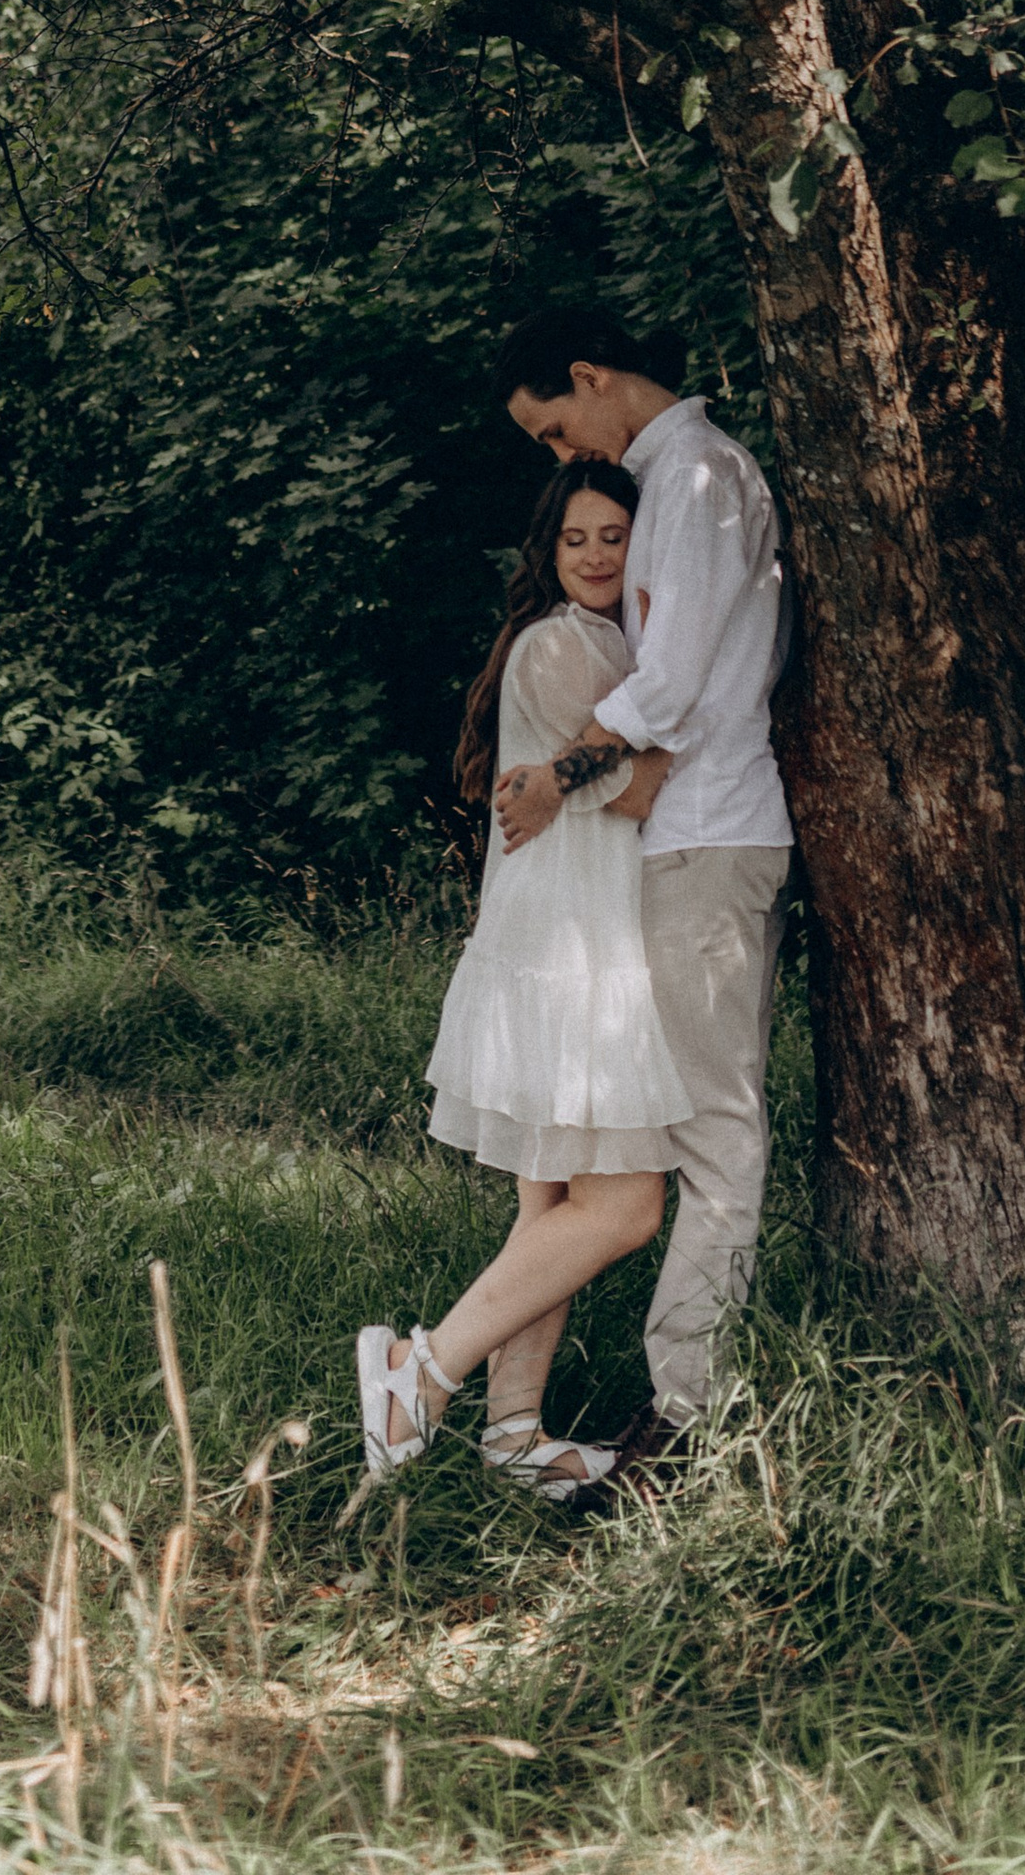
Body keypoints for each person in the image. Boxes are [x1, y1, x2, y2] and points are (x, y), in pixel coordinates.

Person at [491, 305, 793, 1508]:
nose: (564, 456)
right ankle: (549, 1411)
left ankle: (686, 1417)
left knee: (717, 1137)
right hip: (675, 841)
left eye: (555, 429)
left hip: (709, 837)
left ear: (590, 374)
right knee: (678, 1138)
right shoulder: (665, 482)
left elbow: (670, 683)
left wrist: (559, 774)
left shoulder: (702, 476)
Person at [355, 460, 690, 1499]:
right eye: (573, 539)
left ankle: (512, 1437)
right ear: (546, 552)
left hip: (567, 938)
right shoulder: (560, 645)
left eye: (613, 537)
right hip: (569, 952)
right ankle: (422, 1371)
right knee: (625, 1207)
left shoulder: (607, 643)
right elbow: (641, 789)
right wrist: (701, 731)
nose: (593, 556)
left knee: (550, 1207)